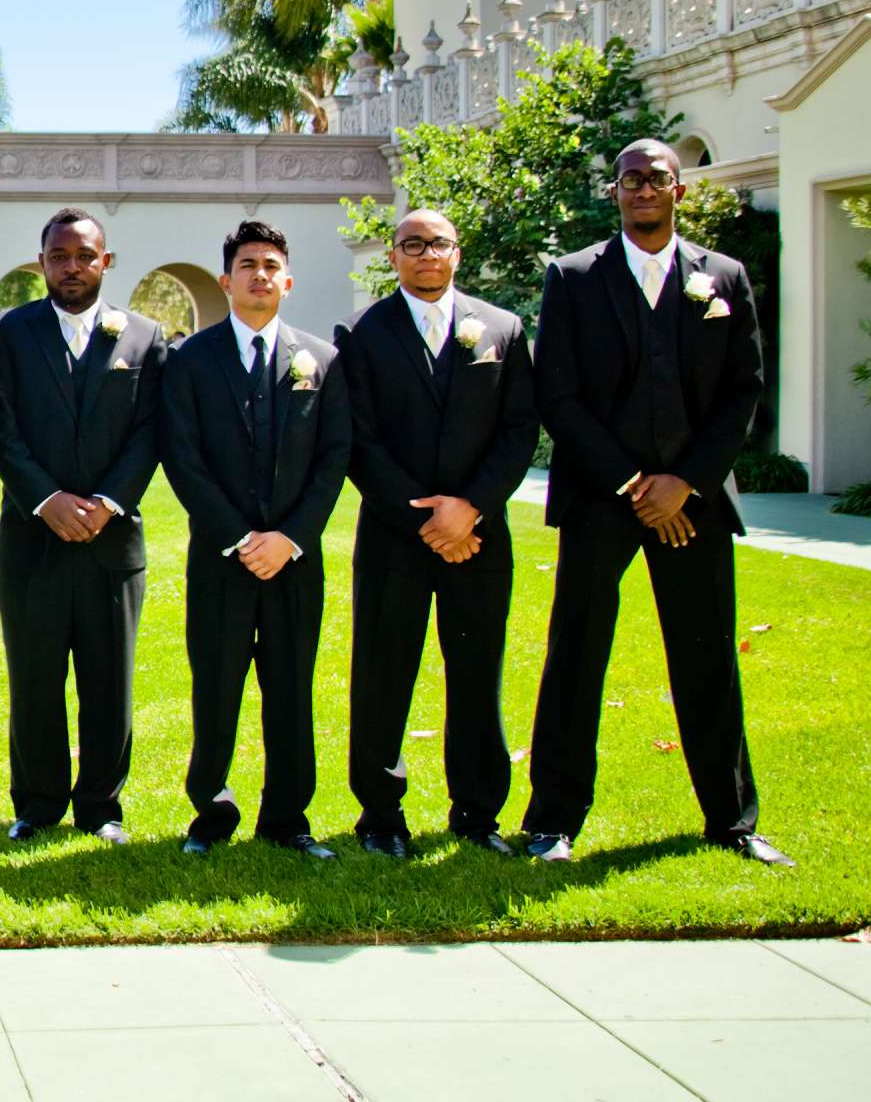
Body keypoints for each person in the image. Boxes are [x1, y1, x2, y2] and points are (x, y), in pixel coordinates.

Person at [520, 140, 789, 866]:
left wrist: (685, 482)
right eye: (631, 179)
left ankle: (732, 821)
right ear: (615, 191)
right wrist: (635, 484)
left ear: (679, 190)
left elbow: (744, 389)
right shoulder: (573, 277)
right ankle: (552, 821)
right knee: (576, 654)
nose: (644, 189)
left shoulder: (723, 276)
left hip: (694, 502)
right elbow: (559, 394)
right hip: (602, 498)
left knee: (706, 654)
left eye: (657, 178)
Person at [333, 209, 538, 858]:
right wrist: (427, 519)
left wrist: (470, 507)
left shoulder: (502, 329)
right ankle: (381, 816)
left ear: (457, 253)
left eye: (438, 244)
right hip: (397, 536)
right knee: (383, 673)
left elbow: (519, 431)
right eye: (412, 244)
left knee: (477, 672)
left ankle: (477, 814)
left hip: (480, 538)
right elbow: (358, 440)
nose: (426, 254)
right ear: (393, 256)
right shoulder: (365, 333)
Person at [160, 219, 351, 859]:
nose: (260, 275)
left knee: (292, 687)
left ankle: (288, 819)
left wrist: (290, 538)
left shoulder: (320, 361)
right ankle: (209, 816)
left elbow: (333, 457)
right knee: (216, 686)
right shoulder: (190, 361)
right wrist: (241, 536)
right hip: (221, 556)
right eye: (248, 264)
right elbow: (182, 458)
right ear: (226, 279)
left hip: (295, 560)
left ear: (287, 281)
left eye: (271, 265)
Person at [0, 208, 164, 845]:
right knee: (34, 678)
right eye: (59, 256)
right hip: (33, 538)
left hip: (113, 544)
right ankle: (36, 805)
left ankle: (102, 808)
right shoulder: (7, 334)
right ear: (42, 264)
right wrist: (46, 499)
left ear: (105, 262)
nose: (71, 267)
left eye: (84, 255)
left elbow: (151, 431)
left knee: (108, 680)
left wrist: (109, 502)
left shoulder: (144, 337)